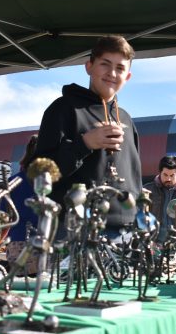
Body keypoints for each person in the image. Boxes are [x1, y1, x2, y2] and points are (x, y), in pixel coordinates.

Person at [34, 35, 141, 242]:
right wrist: (84, 144)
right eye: (105, 64)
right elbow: (40, 174)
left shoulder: (127, 119)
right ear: (89, 66)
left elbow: (134, 178)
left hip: (126, 233)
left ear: (127, 76)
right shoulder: (63, 109)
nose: (112, 73)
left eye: (120, 68)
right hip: (75, 229)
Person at [4, 134, 42, 274]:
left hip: (17, 243)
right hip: (45, 243)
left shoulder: (13, 181)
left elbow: (4, 216)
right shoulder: (50, 182)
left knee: (19, 289)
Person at [143, 155, 176, 244]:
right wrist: (148, 240)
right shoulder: (147, 190)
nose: (168, 179)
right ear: (160, 172)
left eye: (172, 175)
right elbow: (141, 217)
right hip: (154, 243)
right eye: (165, 175)